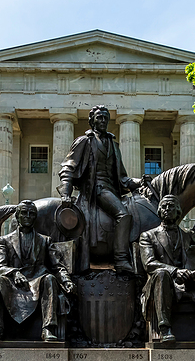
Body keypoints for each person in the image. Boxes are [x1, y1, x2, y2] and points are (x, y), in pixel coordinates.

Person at [57, 104, 142, 274]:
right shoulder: (84, 141)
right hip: (95, 189)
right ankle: (121, 259)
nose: (103, 121)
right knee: (123, 215)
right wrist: (66, 193)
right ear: (92, 121)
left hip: (111, 189)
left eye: (105, 118)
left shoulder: (113, 145)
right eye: (99, 117)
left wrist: (141, 182)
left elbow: (123, 178)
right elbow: (68, 168)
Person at [139, 195, 195, 343]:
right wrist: (175, 270)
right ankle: (165, 329)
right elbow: (149, 263)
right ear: (159, 211)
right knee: (161, 273)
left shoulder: (186, 234)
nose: (167, 209)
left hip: (188, 281)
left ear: (178, 212)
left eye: (171, 206)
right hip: (163, 281)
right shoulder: (148, 236)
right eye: (164, 206)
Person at [0, 200, 75, 342]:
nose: (28, 216)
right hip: (13, 282)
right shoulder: (5, 240)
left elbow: (57, 266)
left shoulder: (45, 241)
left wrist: (66, 280)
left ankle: (48, 329)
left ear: (35, 217)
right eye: (24, 213)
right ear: (17, 216)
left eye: (31, 214)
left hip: (37, 280)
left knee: (50, 279)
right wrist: (14, 272)